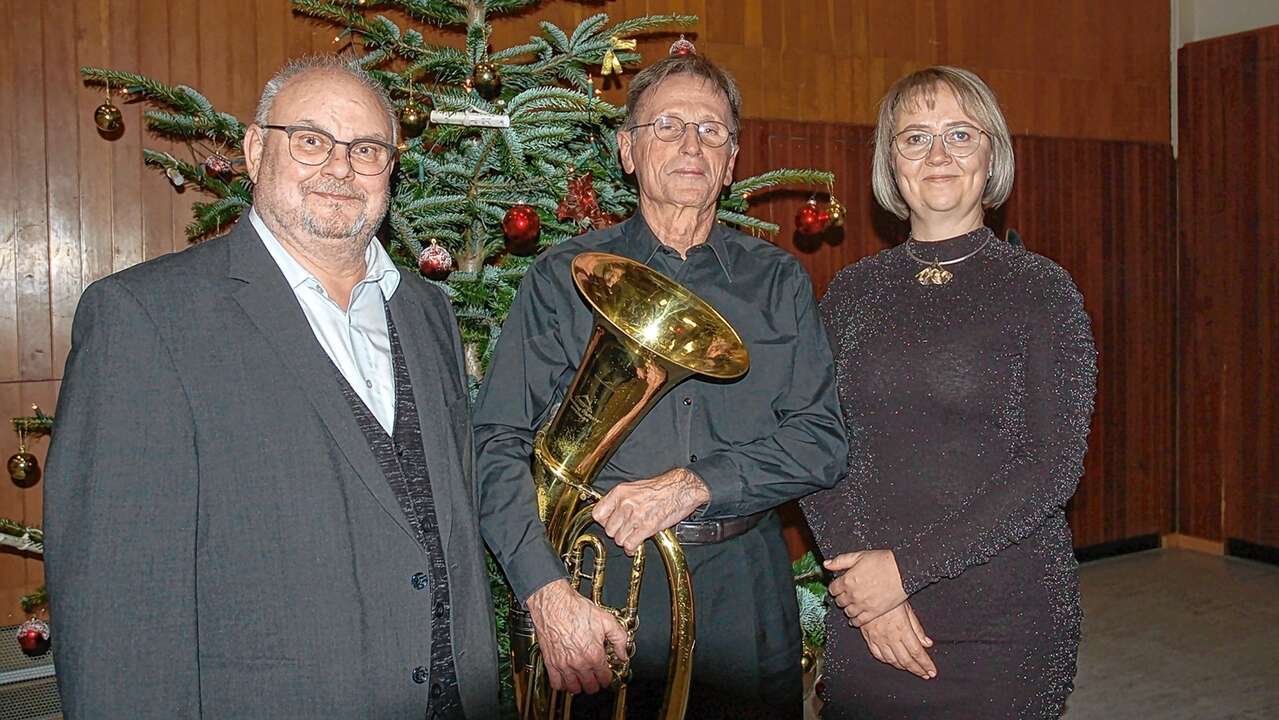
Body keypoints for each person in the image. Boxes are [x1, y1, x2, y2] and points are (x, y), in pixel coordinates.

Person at [42, 56, 498, 719]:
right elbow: (119, 613)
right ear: (256, 150)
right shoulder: (145, 318)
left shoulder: (426, 312)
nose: (340, 168)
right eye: (311, 141)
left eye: (366, 149)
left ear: (390, 170)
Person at [474, 51, 848, 717]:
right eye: (667, 126)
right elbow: (496, 442)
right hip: (601, 578)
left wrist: (697, 483)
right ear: (627, 150)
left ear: (730, 161)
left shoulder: (776, 281)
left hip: (743, 579)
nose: (690, 145)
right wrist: (543, 592)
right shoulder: (565, 277)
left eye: (711, 131)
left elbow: (821, 440)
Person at [801, 65, 1098, 719]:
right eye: (914, 137)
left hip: (1003, 615)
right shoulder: (851, 292)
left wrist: (901, 571)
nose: (937, 154)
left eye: (960, 135)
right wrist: (862, 587)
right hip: (867, 609)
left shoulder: (1040, 289)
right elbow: (813, 439)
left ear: (989, 155)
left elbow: (1052, 468)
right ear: (890, 162)